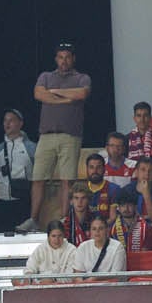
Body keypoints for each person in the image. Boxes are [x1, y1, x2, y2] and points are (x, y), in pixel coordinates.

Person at [26, 41, 91, 231]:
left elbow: (82, 93)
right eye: (61, 57)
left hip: (70, 135)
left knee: (67, 180)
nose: (64, 61)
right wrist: (66, 99)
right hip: (46, 136)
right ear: (56, 59)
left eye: (67, 57)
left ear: (73, 59)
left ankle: (65, 220)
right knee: (38, 178)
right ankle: (33, 219)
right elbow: (39, 94)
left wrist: (54, 92)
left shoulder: (81, 77)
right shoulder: (46, 76)